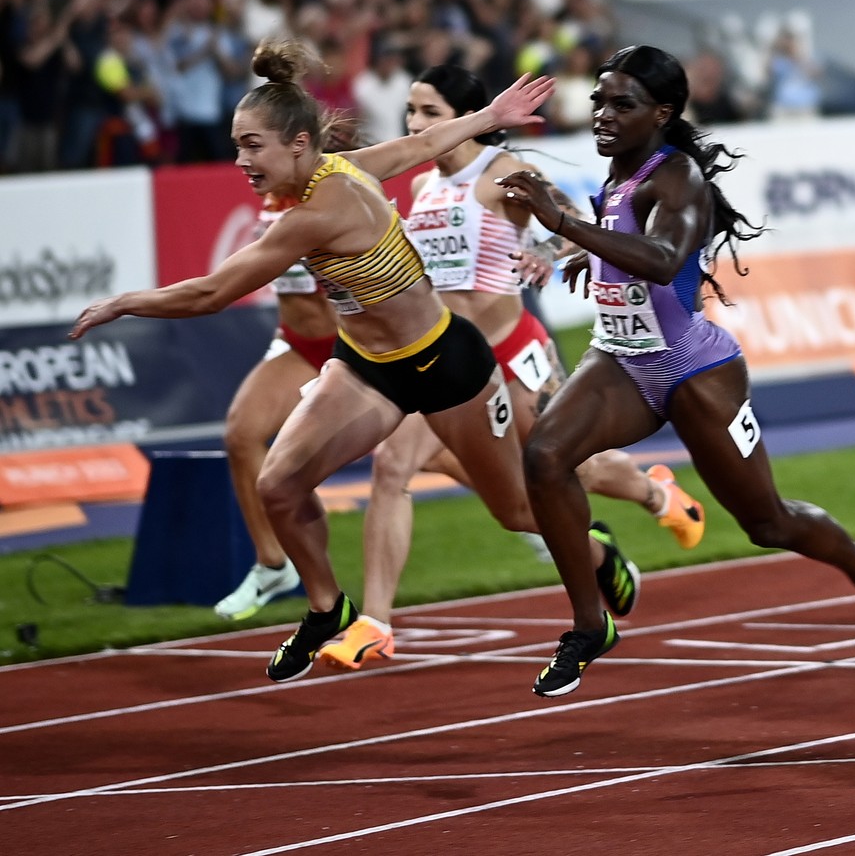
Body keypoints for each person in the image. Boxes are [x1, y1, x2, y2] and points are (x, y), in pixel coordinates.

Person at [69, 39, 621, 687]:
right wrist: (486, 114)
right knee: (278, 485)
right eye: (238, 143)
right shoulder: (340, 167)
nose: (241, 159)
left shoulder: (318, 209)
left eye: (253, 145)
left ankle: (596, 591)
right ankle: (330, 607)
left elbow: (213, 292)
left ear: (299, 144)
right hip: (366, 365)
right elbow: (416, 148)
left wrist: (126, 301)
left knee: (517, 511)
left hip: (448, 365)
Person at [498, 44, 855, 700]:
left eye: (622, 104)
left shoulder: (678, 176)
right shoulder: (619, 174)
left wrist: (565, 226)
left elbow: (665, 259)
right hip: (620, 358)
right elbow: (633, 249)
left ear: (663, 112)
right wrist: (598, 260)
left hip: (694, 369)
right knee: (545, 455)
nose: (603, 115)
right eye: (599, 101)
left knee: (767, 523)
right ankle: (588, 623)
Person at [315, 63, 707, 671]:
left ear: (465, 119)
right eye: (412, 113)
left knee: (570, 465)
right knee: (395, 464)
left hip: (512, 349)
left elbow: (592, 225)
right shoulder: (421, 189)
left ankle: (657, 495)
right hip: (447, 358)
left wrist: (548, 250)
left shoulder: (504, 175)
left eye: (429, 114)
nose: (416, 124)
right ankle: (376, 623)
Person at [212, 192, 336, 621]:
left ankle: (527, 515)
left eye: (255, 146)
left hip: (359, 346)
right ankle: (272, 565)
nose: (247, 160)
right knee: (241, 433)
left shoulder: (340, 191)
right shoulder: (269, 199)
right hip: (299, 346)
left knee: (433, 452)